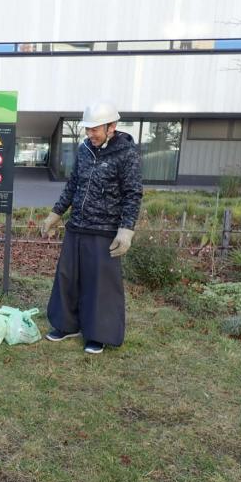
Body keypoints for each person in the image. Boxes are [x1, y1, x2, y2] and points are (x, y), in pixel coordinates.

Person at [41, 101, 142, 354]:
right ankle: (66, 325)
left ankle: (97, 333)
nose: (90, 134)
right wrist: (56, 213)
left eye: (95, 129)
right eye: (87, 129)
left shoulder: (126, 153)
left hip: (104, 230)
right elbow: (73, 184)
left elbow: (133, 193)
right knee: (67, 278)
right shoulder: (84, 149)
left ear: (111, 127)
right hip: (77, 226)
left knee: (100, 285)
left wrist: (126, 229)